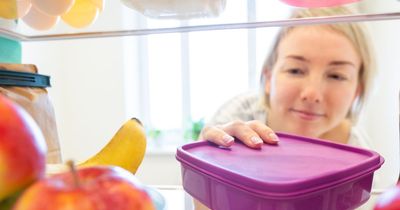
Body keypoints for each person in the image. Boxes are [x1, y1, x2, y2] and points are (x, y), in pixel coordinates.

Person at [194, 6, 376, 210]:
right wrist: (204, 171)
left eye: (336, 75)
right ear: (269, 77)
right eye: (296, 70)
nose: (312, 94)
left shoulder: (359, 157)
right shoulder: (238, 116)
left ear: (356, 92)